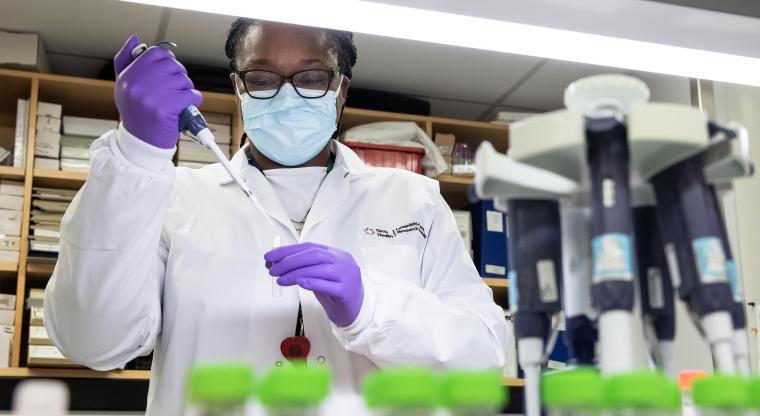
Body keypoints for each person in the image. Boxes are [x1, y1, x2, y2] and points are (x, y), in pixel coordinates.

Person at [44, 19, 509, 415]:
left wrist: (372, 307)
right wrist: (137, 153)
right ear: (238, 88)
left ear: (341, 88)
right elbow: (92, 341)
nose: (287, 95)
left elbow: (485, 358)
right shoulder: (175, 197)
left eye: (311, 78)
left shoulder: (414, 200)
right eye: (263, 78)